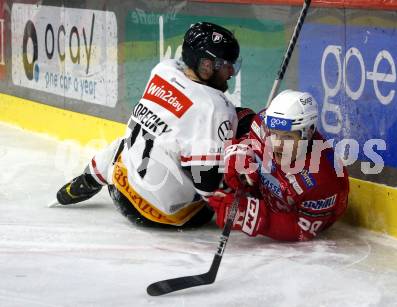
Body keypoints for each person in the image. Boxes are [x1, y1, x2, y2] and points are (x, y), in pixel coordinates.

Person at [54, 22, 254, 228]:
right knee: (242, 124)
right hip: (166, 216)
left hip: (120, 188)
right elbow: (208, 188)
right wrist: (241, 184)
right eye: (226, 65)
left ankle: (85, 182)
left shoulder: (163, 70)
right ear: (206, 66)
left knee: (131, 141)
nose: (231, 71)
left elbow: (182, 113)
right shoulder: (215, 108)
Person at [208, 90, 349, 241]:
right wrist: (239, 153)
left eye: (287, 137)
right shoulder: (261, 124)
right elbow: (246, 138)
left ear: (308, 133)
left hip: (292, 215)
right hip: (266, 195)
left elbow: (301, 229)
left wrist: (251, 216)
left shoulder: (323, 180)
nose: (277, 145)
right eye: (273, 134)